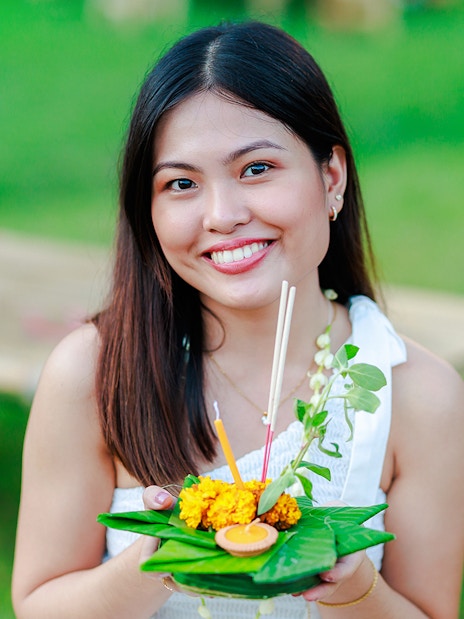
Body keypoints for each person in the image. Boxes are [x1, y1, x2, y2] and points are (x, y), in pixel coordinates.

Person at [12, 20, 463, 619]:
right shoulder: (94, 373)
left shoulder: (419, 395)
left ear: (331, 176)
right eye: (181, 183)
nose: (222, 215)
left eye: (256, 169)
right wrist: (162, 558)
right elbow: (39, 605)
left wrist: (356, 589)